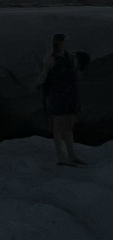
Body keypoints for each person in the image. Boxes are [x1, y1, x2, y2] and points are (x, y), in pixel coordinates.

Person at [36, 33, 85, 167]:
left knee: (68, 126)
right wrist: (40, 83)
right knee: (58, 126)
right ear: (59, 42)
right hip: (58, 94)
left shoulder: (69, 57)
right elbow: (44, 73)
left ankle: (71, 154)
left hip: (70, 94)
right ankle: (61, 157)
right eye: (65, 41)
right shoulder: (50, 57)